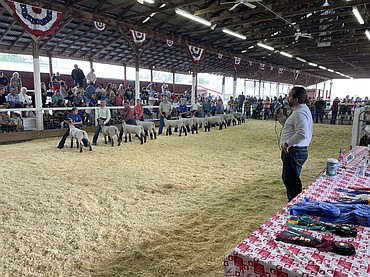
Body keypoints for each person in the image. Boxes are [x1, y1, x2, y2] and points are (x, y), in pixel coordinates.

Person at [275, 86, 313, 202]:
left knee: (292, 181)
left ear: (296, 100)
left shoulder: (299, 113)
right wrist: (281, 117)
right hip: (295, 151)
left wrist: (287, 143)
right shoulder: (300, 111)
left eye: (290, 95)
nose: (288, 98)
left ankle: (294, 205)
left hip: (294, 151)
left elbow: (302, 133)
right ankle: (294, 203)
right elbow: (291, 127)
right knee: (290, 179)